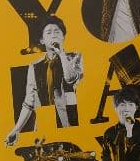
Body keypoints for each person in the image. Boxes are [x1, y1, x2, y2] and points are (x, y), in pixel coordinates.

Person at [5, 16, 83, 144]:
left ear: (63, 36)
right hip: (45, 124)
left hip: (69, 120)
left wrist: (61, 53)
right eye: (49, 32)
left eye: (57, 31)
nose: (53, 35)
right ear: (42, 40)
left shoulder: (74, 57)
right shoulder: (34, 66)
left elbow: (70, 78)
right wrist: (16, 130)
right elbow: (29, 102)